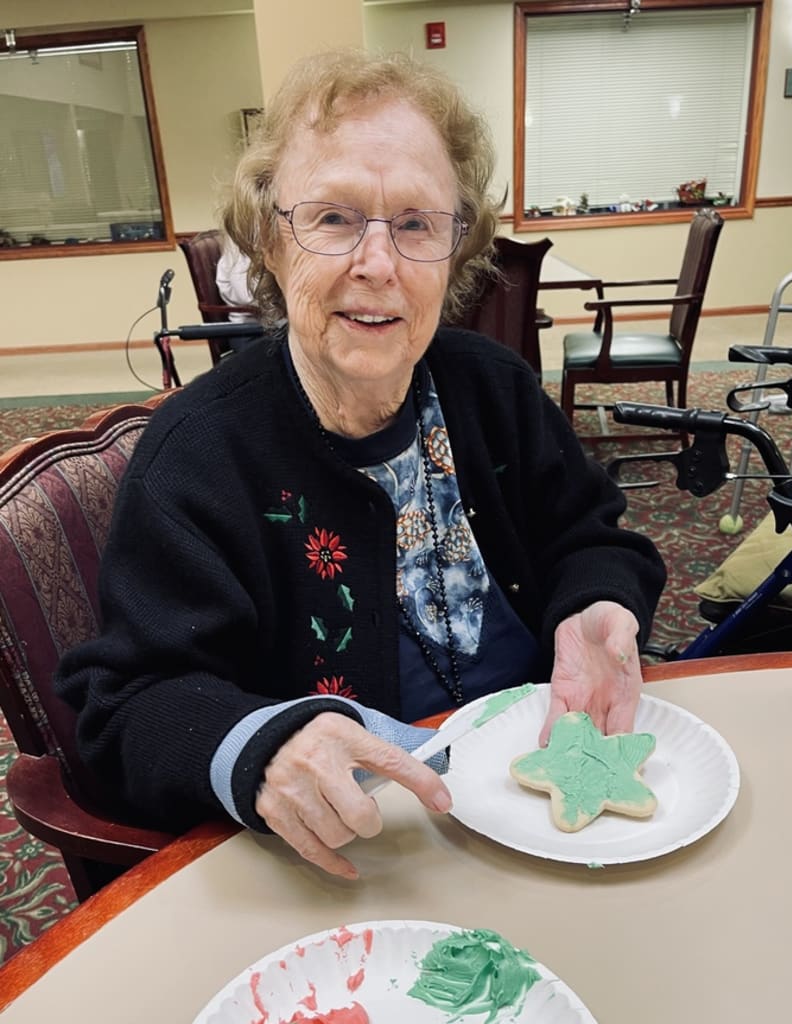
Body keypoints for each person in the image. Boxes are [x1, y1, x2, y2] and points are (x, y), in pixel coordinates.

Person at [55, 48, 665, 879]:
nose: (378, 265)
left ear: (456, 252)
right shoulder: (199, 457)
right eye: (335, 218)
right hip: (365, 853)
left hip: (541, 809)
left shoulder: (494, 389)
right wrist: (261, 748)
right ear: (271, 241)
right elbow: (127, 705)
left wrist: (595, 602)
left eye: (416, 224)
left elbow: (593, 536)